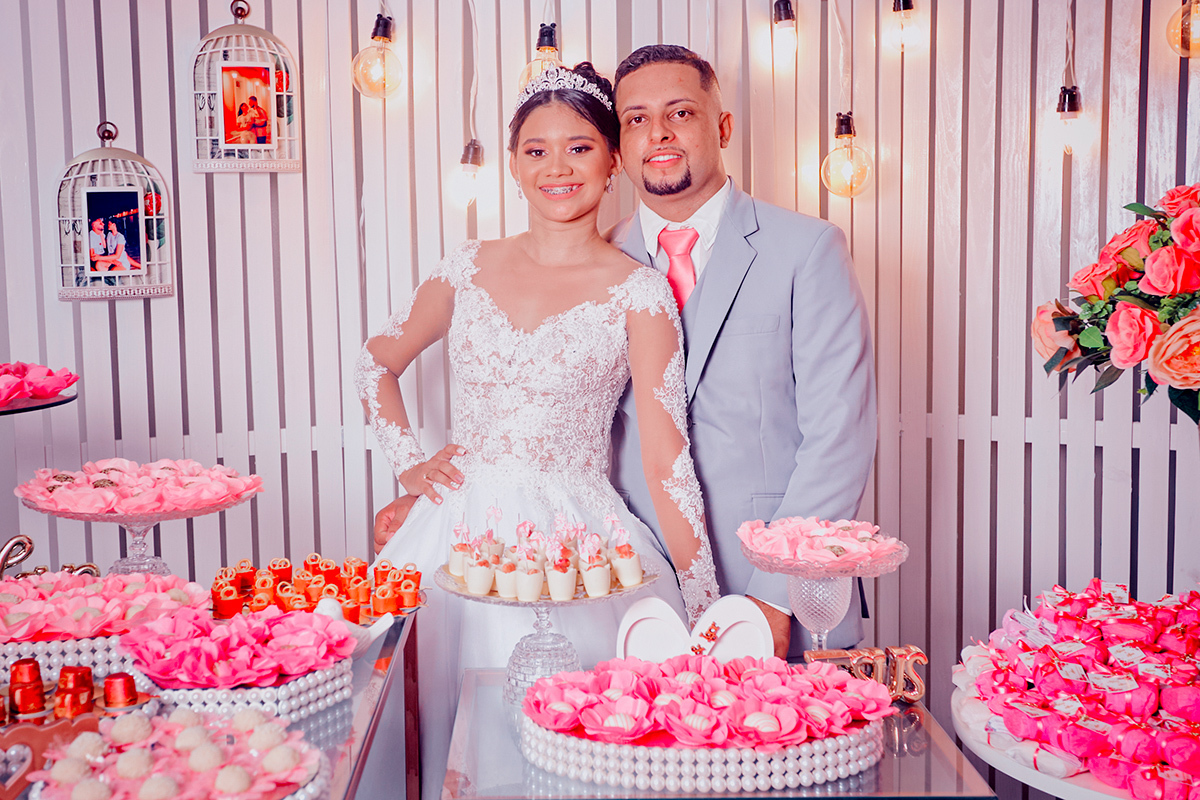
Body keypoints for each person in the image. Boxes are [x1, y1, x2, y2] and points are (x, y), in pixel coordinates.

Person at [355, 63, 720, 800]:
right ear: (516, 164)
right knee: (417, 735)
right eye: (536, 150)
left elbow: (665, 458)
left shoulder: (641, 292)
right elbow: (376, 363)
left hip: (577, 543)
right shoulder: (466, 268)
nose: (558, 167)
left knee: (574, 750)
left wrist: (706, 602)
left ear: (613, 159)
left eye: (580, 148)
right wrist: (409, 465)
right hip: (452, 532)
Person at [608, 45, 877, 659]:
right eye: (637, 119)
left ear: (722, 125)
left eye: (681, 112)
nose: (659, 134)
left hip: (774, 592)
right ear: (620, 144)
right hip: (633, 601)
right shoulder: (596, 261)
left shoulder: (808, 249)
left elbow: (840, 437)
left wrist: (776, 594)